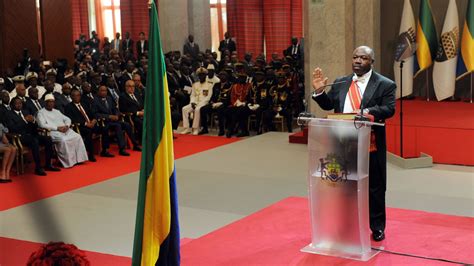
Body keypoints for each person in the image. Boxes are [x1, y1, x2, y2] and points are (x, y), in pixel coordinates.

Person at [311, 45, 396, 242]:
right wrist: (319, 92)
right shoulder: (341, 81)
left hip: (370, 143)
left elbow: (389, 109)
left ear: (371, 62)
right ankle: (345, 224)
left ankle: (377, 227)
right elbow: (329, 105)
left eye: (363, 58)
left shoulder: (385, 84)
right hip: (342, 142)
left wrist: (366, 113)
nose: (358, 61)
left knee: (374, 187)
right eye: (355, 57)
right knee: (344, 186)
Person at [5, 97, 60, 176]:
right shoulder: (9, 114)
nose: (19, 105)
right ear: (12, 105)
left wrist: (34, 121)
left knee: (48, 139)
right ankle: (38, 167)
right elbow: (12, 128)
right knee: (34, 141)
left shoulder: (25, 111)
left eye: (20, 103)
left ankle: (48, 164)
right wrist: (24, 120)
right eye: (16, 103)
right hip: (20, 137)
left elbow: (34, 127)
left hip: (31, 134)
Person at [37, 94, 88, 168]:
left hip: (64, 129)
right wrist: (57, 128)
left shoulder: (57, 111)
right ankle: (68, 162)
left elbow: (67, 119)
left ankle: (79, 160)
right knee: (64, 140)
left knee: (77, 137)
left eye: (52, 102)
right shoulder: (41, 113)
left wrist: (67, 126)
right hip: (52, 132)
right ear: (46, 102)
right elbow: (42, 125)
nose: (51, 103)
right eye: (49, 102)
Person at [181, 67, 212, 135]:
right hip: (194, 103)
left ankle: (195, 128)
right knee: (184, 109)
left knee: (197, 110)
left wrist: (199, 104)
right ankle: (186, 128)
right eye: (200, 75)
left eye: (202, 75)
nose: (201, 76)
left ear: (205, 75)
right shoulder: (195, 84)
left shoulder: (209, 85)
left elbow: (208, 97)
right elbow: (192, 95)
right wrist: (192, 102)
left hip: (203, 103)